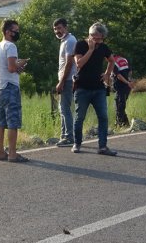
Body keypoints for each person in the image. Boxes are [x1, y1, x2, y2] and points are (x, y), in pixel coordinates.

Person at [71, 22, 117, 156]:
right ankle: (77, 143)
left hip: (99, 88)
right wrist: (90, 50)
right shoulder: (81, 45)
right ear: (89, 35)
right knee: (80, 117)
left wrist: (108, 74)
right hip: (82, 87)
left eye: (98, 38)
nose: (96, 40)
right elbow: (79, 64)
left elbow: (112, 60)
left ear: (103, 37)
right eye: (93, 37)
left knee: (103, 117)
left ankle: (102, 146)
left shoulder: (103, 47)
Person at [0, 18, 29, 162]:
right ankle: (12, 153)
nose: (17, 33)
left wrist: (14, 67)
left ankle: (1, 152)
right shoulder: (11, 46)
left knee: (0, 122)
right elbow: (12, 67)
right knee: (13, 122)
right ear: (8, 32)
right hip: (10, 87)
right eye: (16, 31)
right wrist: (21, 64)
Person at [52, 18, 77, 147]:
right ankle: (64, 135)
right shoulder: (64, 41)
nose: (57, 31)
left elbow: (69, 62)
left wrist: (61, 82)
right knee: (63, 108)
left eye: (60, 28)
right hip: (65, 79)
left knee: (65, 108)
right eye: (55, 29)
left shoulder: (70, 41)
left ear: (66, 27)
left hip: (67, 79)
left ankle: (69, 136)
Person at [112, 54, 133, 127]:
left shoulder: (113, 62)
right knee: (120, 105)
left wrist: (127, 82)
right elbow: (130, 71)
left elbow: (118, 76)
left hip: (120, 86)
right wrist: (129, 81)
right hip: (127, 87)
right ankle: (126, 124)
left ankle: (119, 124)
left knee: (119, 105)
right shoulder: (124, 59)